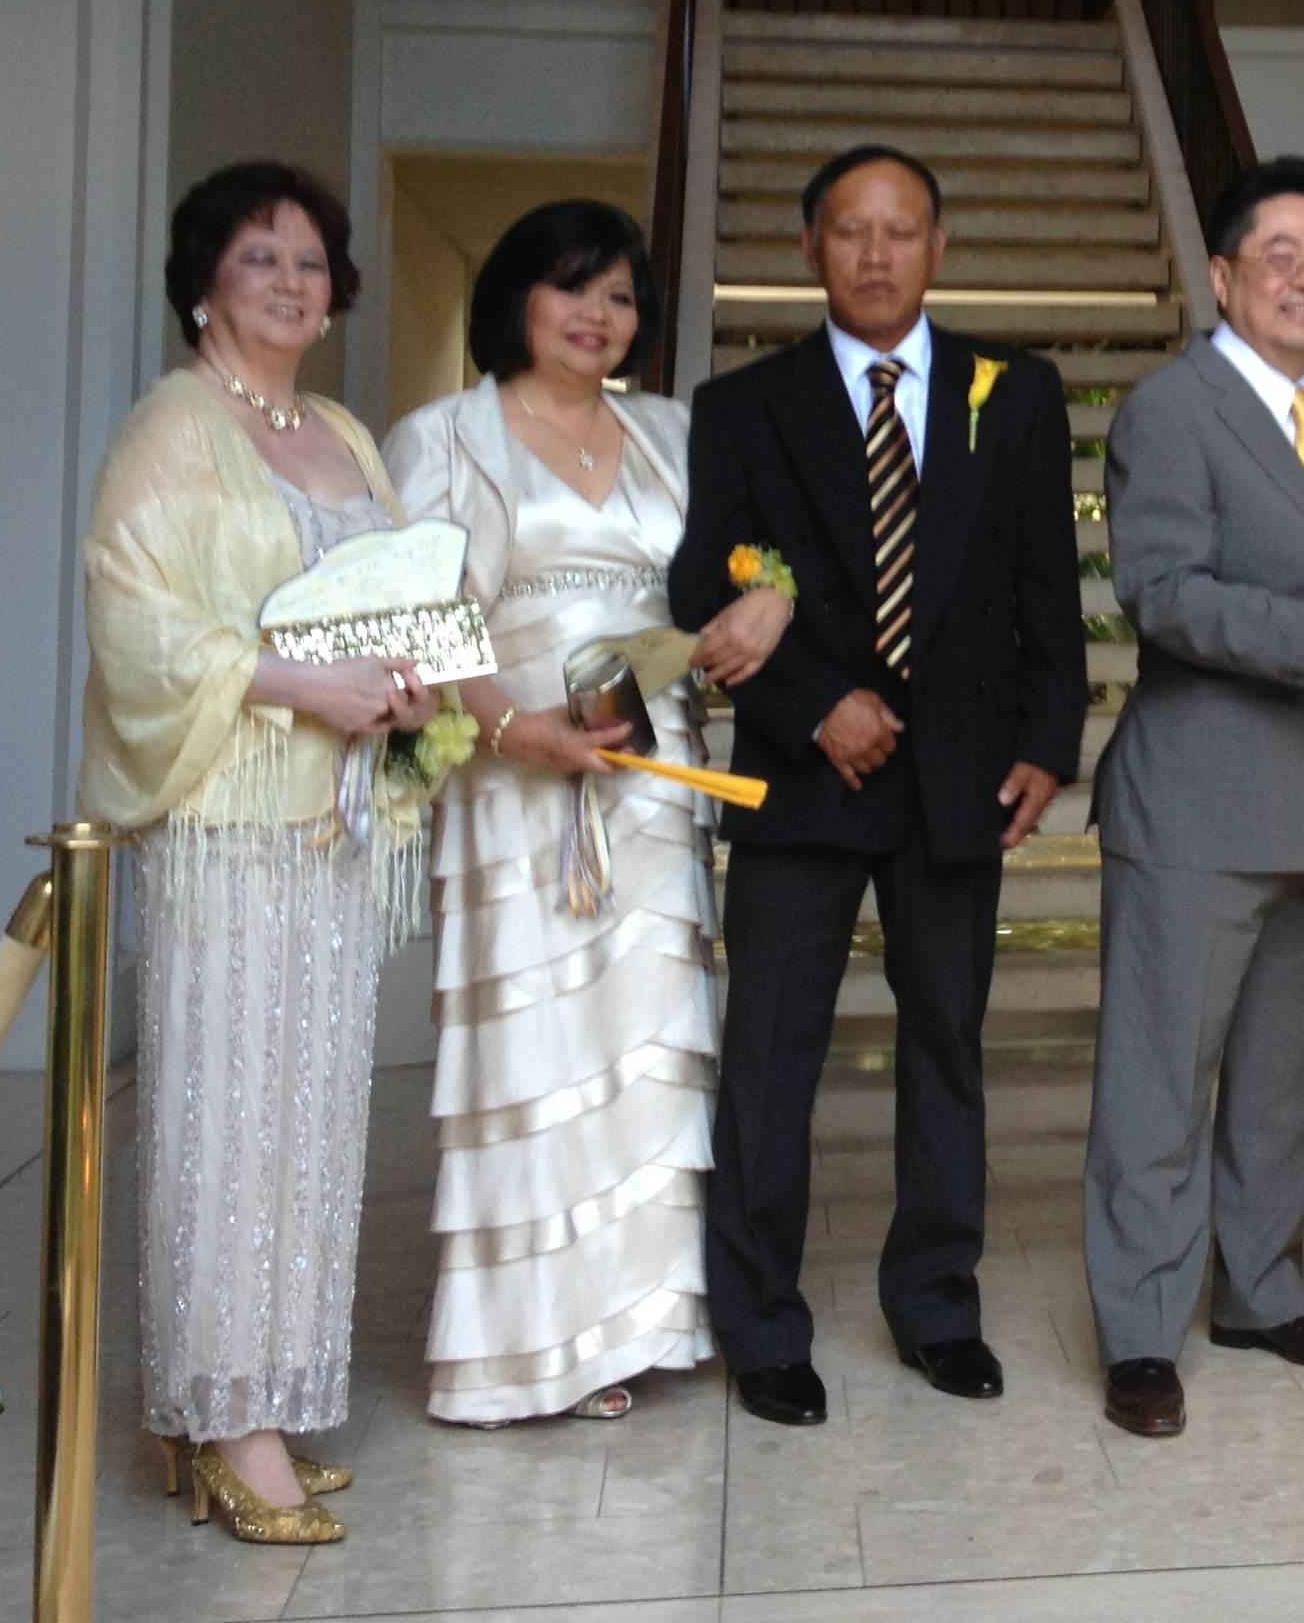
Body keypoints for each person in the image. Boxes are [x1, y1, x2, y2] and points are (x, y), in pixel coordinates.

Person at [667, 145, 1088, 1428]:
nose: (875, 253)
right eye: (850, 230)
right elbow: (701, 585)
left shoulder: (1014, 394)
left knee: (946, 1044)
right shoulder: (743, 406)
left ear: (938, 248)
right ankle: (761, 1323)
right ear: (810, 248)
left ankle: (938, 1306)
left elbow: (1046, 585)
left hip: (961, 777)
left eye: (901, 231)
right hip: (805, 778)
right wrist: (812, 706)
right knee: (771, 1054)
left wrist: (1049, 739)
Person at [385, 201, 795, 1427]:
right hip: (514, 779)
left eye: (619, 295)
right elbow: (422, 617)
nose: (597, 315)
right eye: (573, 288)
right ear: (517, 295)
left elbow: (759, 553)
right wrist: (519, 730)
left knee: (648, 1048)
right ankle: (529, 1347)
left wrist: (771, 598)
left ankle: (647, 1322)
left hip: (652, 777)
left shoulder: (673, 431)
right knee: (536, 1048)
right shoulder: (443, 436)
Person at [82, 162, 434, 1545]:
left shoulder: (341, 430)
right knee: (226, 1115)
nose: (291, 283)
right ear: (201, 286)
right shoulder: (172, 428)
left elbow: (394, 594)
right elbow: (139, 625)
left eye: (310, 262)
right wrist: (304, 684)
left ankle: (260, 1400)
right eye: (258, 259)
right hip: (228, 825)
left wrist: (404, 682)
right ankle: (224, 1414)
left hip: (332, 819)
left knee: (311, 1120)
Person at [1082, 158, 1304, 1440]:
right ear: (1224, 278)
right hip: (1199, 801)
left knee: (1287, 1077)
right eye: (1279, 256)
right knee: (1160, 1084)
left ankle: (1260, 1291)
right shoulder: (1171, 411)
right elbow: (1164, 595)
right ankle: (1140, 1330)